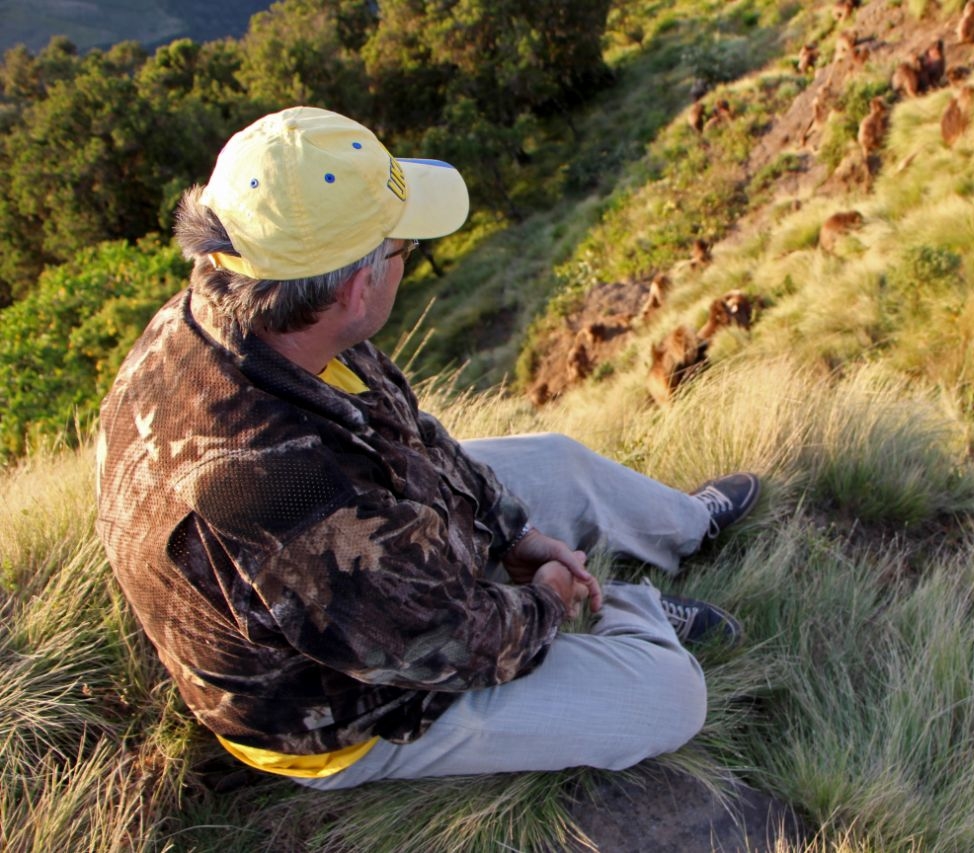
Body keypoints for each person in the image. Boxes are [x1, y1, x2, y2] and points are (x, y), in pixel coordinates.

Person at [94, 106, 761, 789]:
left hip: (363, 572)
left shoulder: (254, 313)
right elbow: (442, 641)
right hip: (338, 707)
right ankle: (623, 607)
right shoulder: (281, 488)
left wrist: (516, 532)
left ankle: (685, 524)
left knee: (556, 459)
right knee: (669, 695)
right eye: (400, 249)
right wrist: (552, 598)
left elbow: (407, 436)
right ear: (357, 288)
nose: (404, 259)